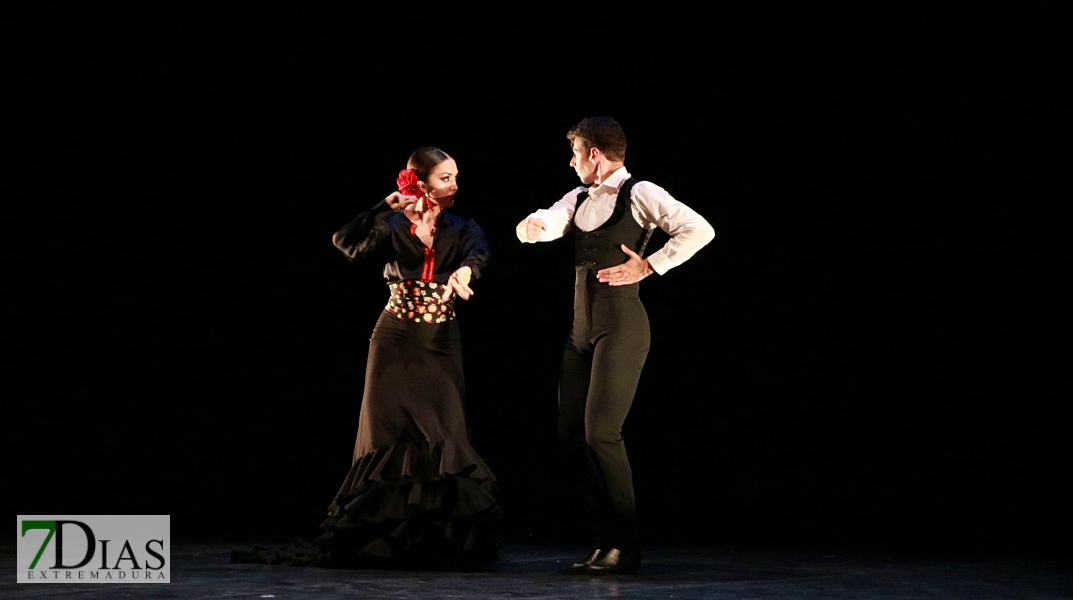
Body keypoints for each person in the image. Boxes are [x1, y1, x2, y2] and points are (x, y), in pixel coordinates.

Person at [235, 147, 501, 570]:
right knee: (386, 432)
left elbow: (479, 253)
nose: (454, 185)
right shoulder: (394, 224)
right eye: (445, 178)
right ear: (420, 182)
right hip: (395, 336)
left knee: (445, 431)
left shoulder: (462, 226)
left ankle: (438, 539)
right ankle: (380, 539)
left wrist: (466, 273)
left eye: (455, 177)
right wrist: (383, 206)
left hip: (440, 341)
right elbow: (347, 244)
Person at [516, 117, 715, 575]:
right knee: (571, 436)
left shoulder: (639, 192)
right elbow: (552, 219)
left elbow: (698, 229)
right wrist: (533, 226)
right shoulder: (580, 197)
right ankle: (604, 540)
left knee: (601, 434)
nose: (571, 162)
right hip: (580, 332)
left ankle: (625, 545)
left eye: (576, 153)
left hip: (621, 326)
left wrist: (650, 265)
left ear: (596, 155)